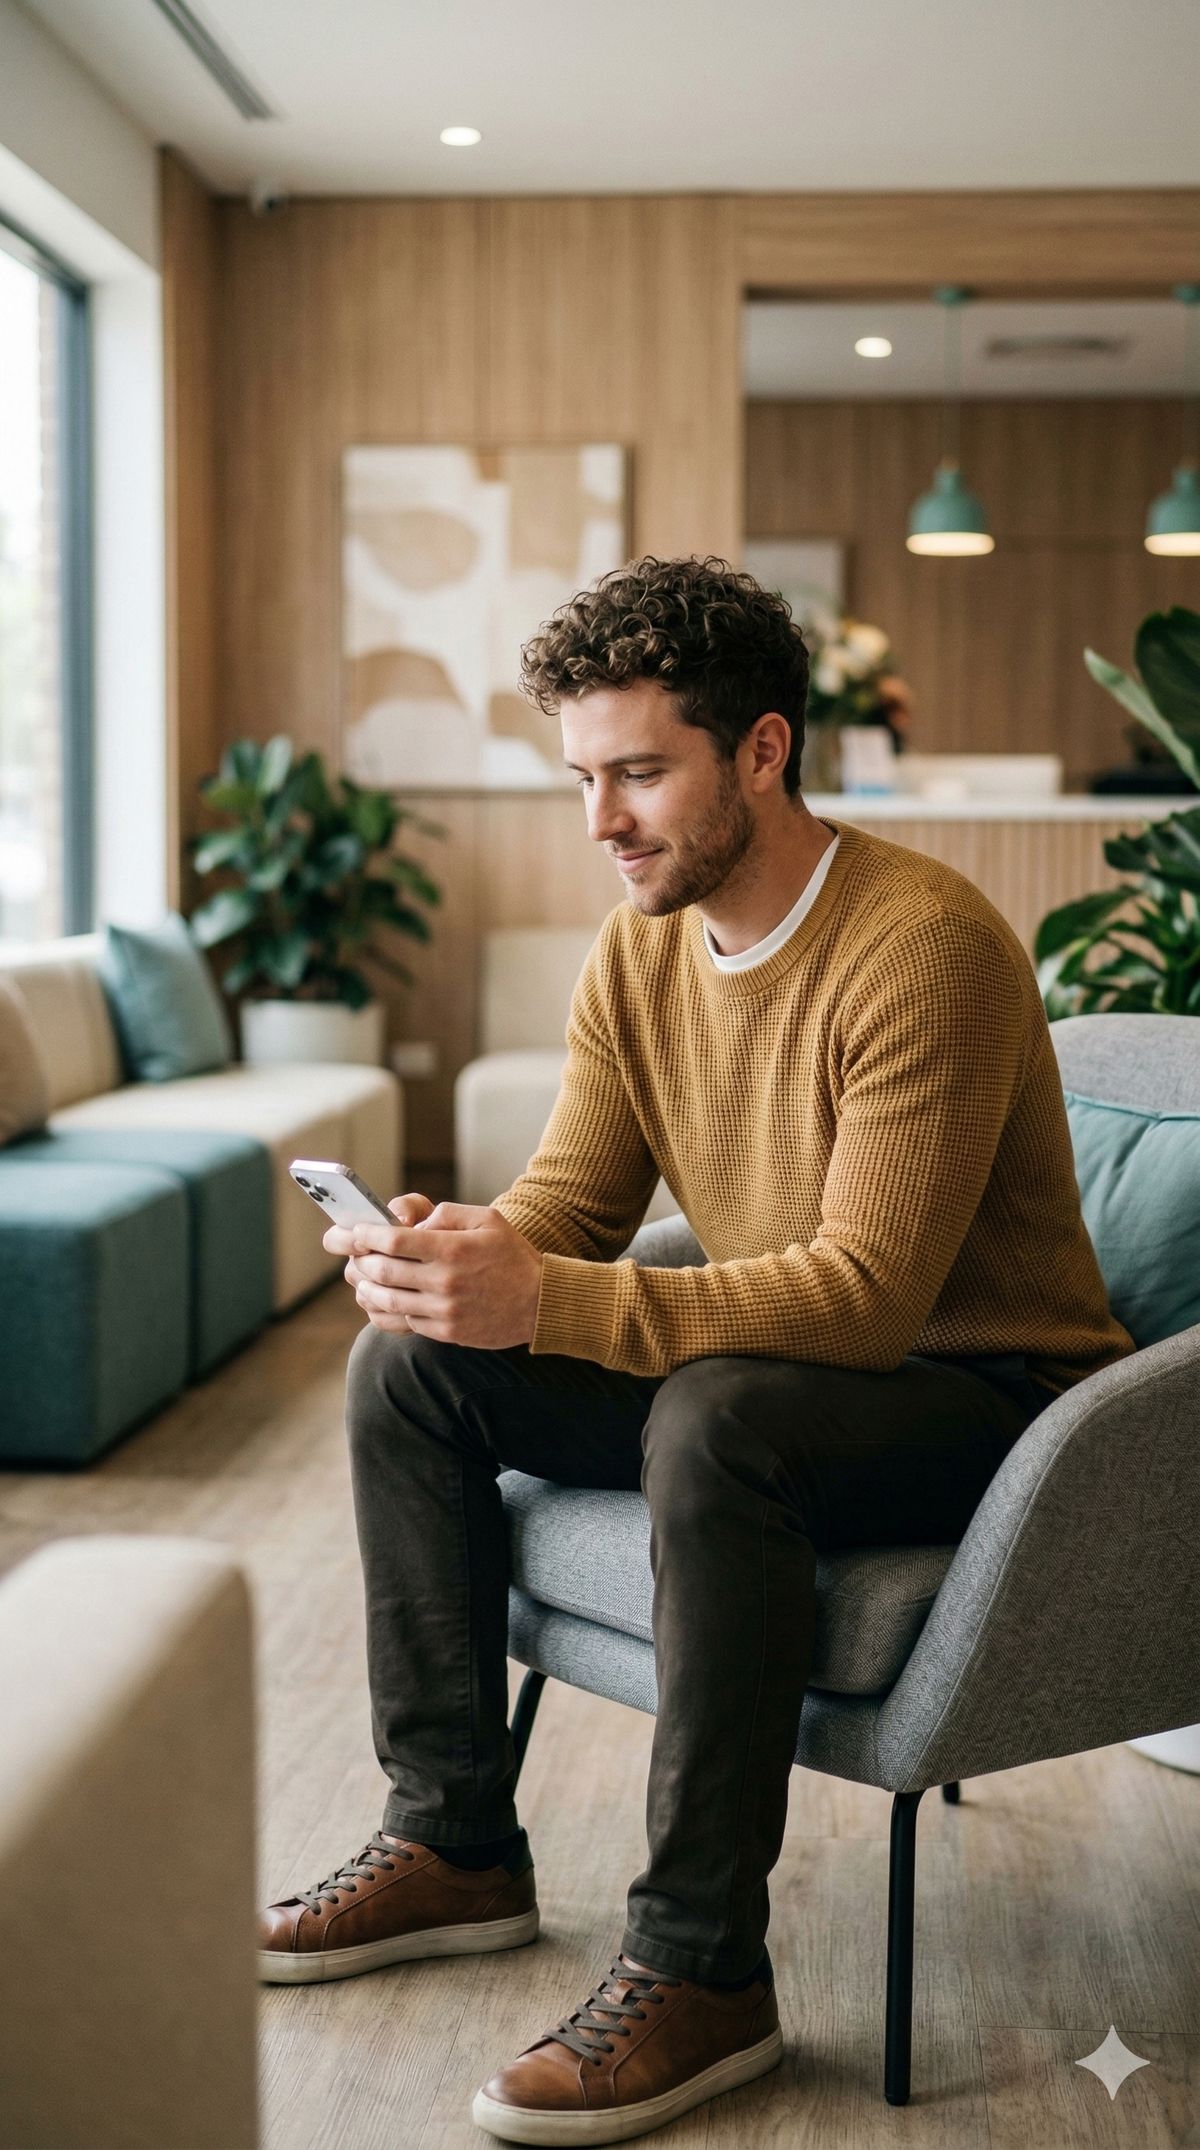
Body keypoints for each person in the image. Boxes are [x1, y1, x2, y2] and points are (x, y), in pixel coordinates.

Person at [258, 556, 1135, 2146]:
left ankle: (703, 1967)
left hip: (994, 1402)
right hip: (783, 1374)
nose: (602, 819)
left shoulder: (923, 945)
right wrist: (462, 1255)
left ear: (762, 751)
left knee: (716, 1420)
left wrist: (552, 1300)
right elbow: (574, 1208)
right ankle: (454, 1842)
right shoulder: (641, 949)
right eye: (582, 777)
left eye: (640, 772)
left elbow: (866, 1297)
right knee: (410, 1368)